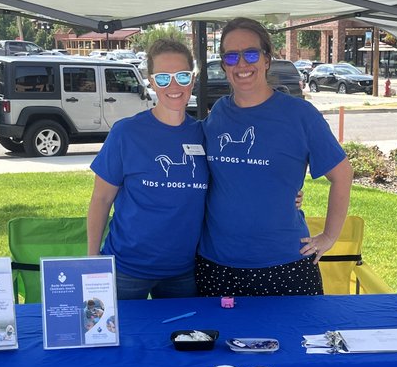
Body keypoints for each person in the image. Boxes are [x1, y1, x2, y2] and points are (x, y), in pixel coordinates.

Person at [195, 16, 353, 297]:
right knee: (220, 342)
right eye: (231, 57)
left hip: (286, 265)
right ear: (224, 66)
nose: (241, 64)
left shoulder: (300, 115)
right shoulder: (218, 113)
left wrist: (329, 237)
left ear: (267, 59)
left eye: (251, 54)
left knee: (296, 341)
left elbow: (342, 175)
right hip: (217, 266)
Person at [87, 38, 207, 299]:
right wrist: (92, 257)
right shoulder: (126, 132)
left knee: (182, 339)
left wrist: (288, 196)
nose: (174, 86)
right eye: (163, 78)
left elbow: (233, 180)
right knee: (124, 339)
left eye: (182, 77)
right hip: (126, 268)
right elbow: (101, 198)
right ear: (151, 81)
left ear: (193, 80)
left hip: (183, 270)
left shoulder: (204, 134)